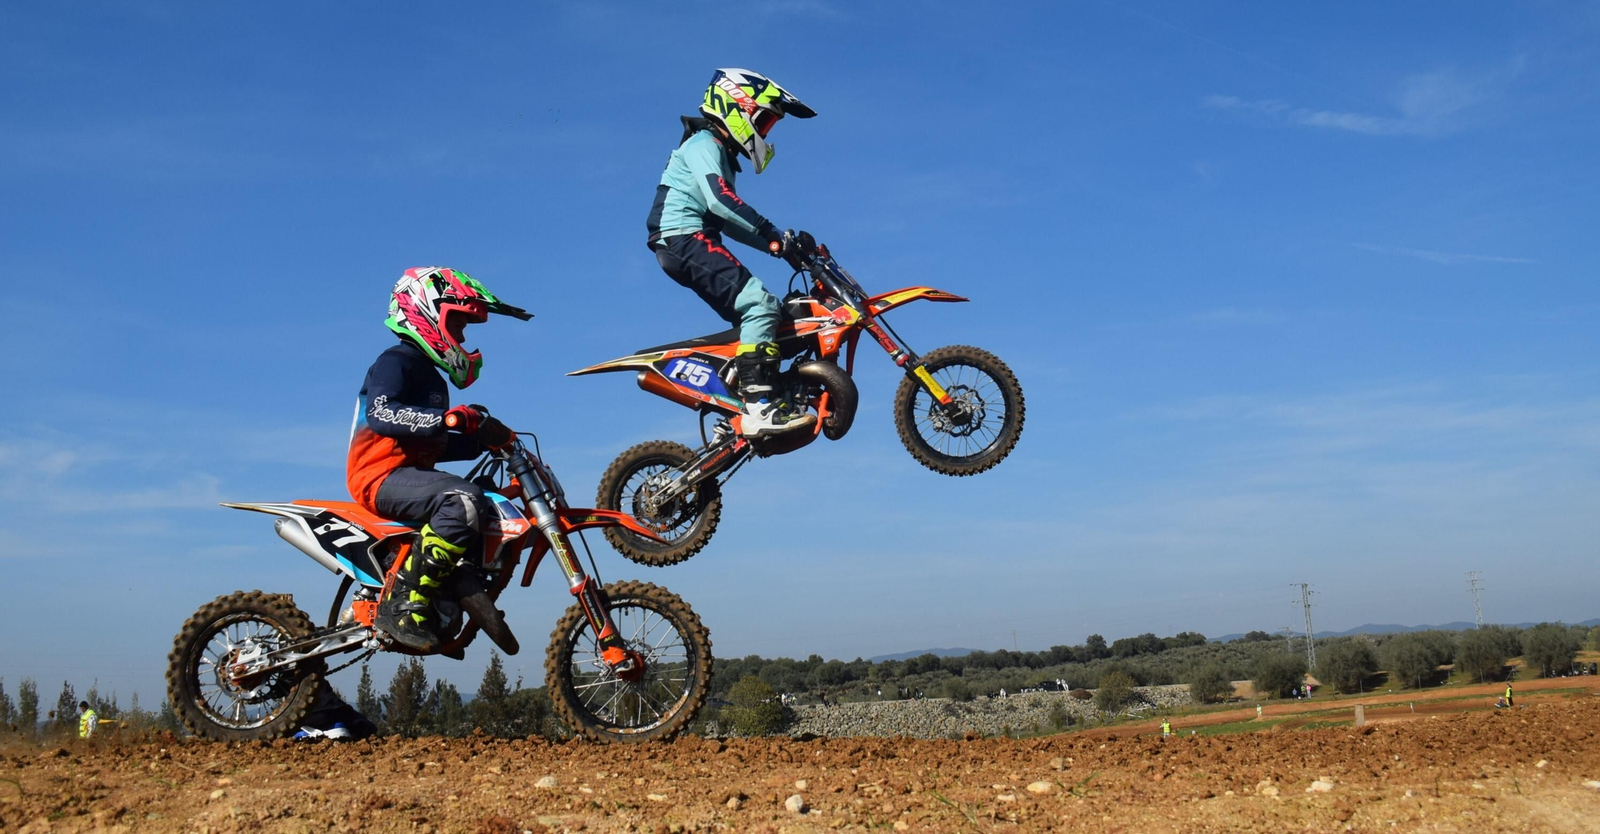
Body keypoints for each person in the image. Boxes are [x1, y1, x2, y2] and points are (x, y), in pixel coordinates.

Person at [348, 267, 531, 652]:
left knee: (483, 499)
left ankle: (448, 591)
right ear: (426, 312)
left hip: (408, 474)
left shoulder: (432, 379)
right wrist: (447, 419)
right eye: (459, 324)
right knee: (462, 500)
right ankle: (402, 604)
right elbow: (383, 412)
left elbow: (433, 444)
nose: (462, 336)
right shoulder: (396, 361)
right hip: (378, 476)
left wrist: (483, 443)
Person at [646, 68, 819, 438]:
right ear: (737, 108)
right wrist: (775, 234)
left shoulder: (717, 152)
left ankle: (736, 397)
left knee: (760, 323)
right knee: (760, 305)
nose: (766, 131)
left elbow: (729, 221)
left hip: (688, 239)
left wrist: (778, 247)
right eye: (765, 120)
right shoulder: (704, 145)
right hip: (682, 237)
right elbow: (722, 202)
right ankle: (758, 409)